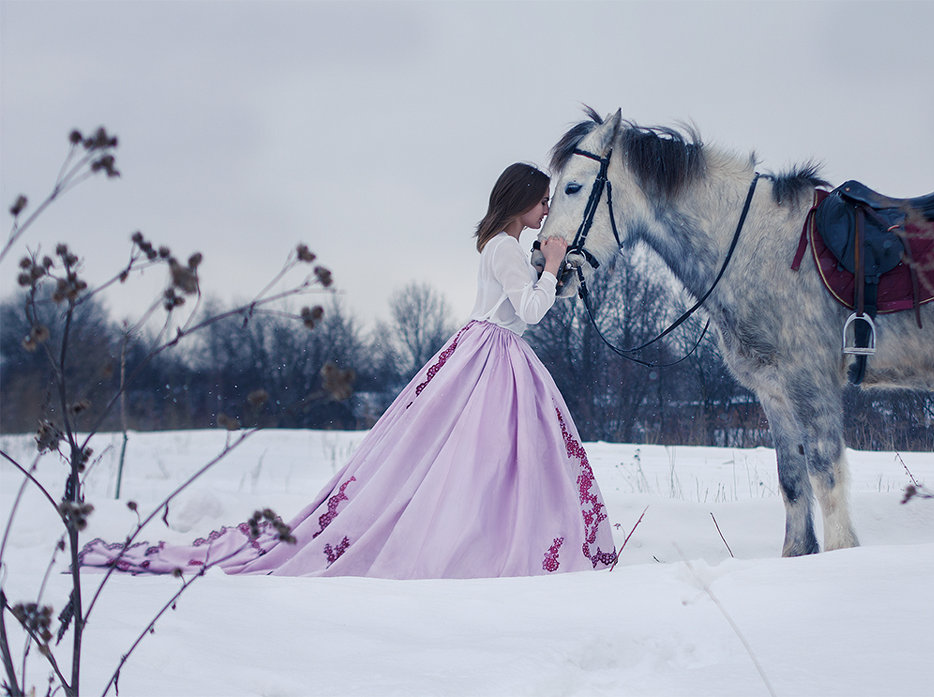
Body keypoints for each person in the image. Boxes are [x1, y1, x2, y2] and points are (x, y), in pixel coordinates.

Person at [79, 163, 617, 579]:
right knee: (484, 458)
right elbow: (529, 311)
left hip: (489, 355)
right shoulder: (504, 248)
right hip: (494, 358)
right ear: (521, 199)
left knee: (475, 458)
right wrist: (548, 266)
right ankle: (481, 542)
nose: (548, 209)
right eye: (543, 200)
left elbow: (523, 299)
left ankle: (489, 536)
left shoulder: (503, 248)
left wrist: (548, 266)